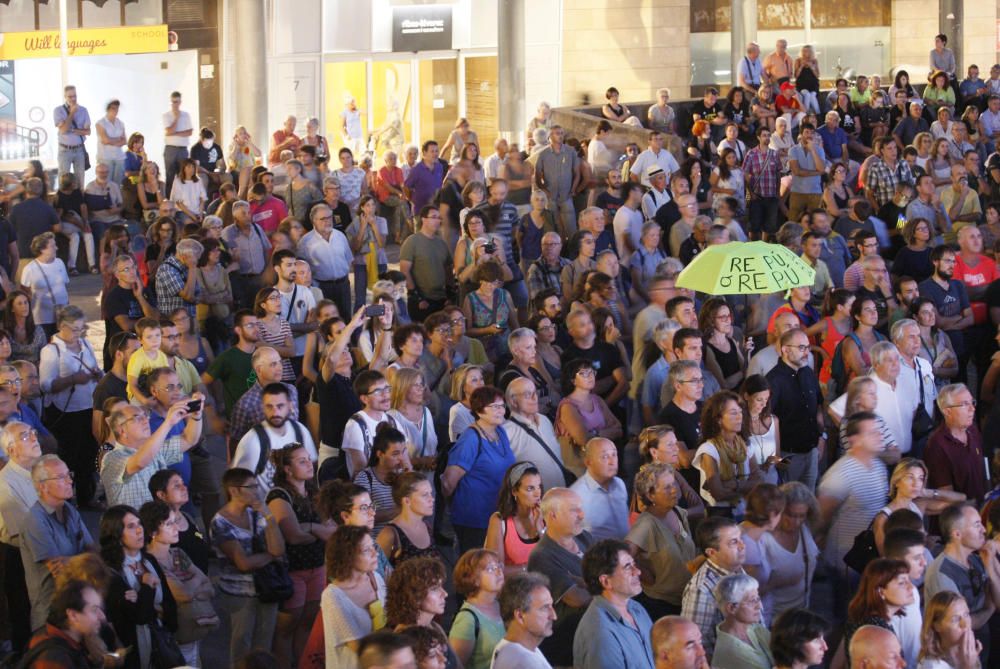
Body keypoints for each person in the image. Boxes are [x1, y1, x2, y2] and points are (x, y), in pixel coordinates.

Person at [210, 467, 286, 664]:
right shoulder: (221, 523)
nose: (257, 490)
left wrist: (269, 516)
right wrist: (270, 555)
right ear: (234, 490)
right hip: (238, 594)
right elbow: (243, 563)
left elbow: (278, 549)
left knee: (264, 644)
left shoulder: (258, 514)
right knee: (241, 646)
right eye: (251, 487)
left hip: (266, 588)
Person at [20, 455, 97, 632]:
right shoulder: (35, 520)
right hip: (51, 612)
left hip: (79, 602)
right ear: (42, 486)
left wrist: (73, 560)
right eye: (61, 477)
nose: (70, 481)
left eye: (68, 475)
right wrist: (86, 560)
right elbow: (59, 570)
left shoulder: (69, 510)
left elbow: (93, 551)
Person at [98, 504, 179, 669]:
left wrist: (145, 602)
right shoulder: (110, 571)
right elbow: (140, 616)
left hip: (159, 645)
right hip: (131, 652)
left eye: (139, 524)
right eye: (130, 526)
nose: (139, 530)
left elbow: (169, 603)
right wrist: (147, 587)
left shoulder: (149, 560)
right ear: (116, 534)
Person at [38, 305, 102, 505]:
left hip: (88, 407)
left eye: (82, 329)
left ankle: (86, 497)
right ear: (62, 326)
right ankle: (63, 498)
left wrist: (97, 374)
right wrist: (73, 379)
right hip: (67, 413)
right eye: (75, 329)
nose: (79, 333)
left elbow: (94, 367)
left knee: (89, 454)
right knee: (69, 456)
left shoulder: (85, 343)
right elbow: (45, 385)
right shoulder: (52, 350)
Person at [443, 385, 516, 552]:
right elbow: (448, 483)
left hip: (496, 513)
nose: (501, 411)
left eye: (502, 406)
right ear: (480, 410)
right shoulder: (470, 439)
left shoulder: (500, 432)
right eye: (495, 407)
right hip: (474, 519)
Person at [526, 488, 594, 666]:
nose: (581, 514)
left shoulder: (584, 538)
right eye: (574, 510)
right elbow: (578, 599)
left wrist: (586, 583)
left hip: (592, 636)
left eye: (581, 508)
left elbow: (609, 572)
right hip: (567, 648)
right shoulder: (543, 555)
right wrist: (605, 585)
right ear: (553, 516)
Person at [924, 502, 1000, 661]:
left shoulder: (976, 558)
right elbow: (958, 624)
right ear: (957, 534)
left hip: (980, 647)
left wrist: (991, 569)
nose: (984, 530)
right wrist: (989, 609)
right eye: (977, 525)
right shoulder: (942, 573)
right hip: (956, 658)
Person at [816, 411, 889, 574]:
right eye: (872, 433)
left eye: (880, 431)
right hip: (846, 564)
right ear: (854, 439)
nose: (880, 436)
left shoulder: (879, 466)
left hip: (870, 560)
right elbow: (821, 518)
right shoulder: (841, 474)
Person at [625, 462, 696, 619]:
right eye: (666, 487)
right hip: (661, 606)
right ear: (650, 495)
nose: (674, 490)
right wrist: (645, 575)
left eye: (674, 484)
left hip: (685, 599)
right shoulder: (646, 524)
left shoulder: (677, 512)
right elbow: (623, 556)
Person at [571, 539, 654, 669]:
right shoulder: (600, 633)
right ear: (606, 582)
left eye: (634, 564)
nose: (637, 572)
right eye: (628, 567)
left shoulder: (636, 609)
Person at [319, 524, 387, 669]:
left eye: (373, 546)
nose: (376, 554)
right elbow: (358, 646)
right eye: (366, 550)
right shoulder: (332, 596)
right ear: (347, 556)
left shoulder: (376, 578)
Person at [681, 516, 746, 659]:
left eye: (741, 539)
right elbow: (693, 645)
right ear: (712, 552)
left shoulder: (736, 568)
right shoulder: (701, 590)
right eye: (733, 542)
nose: (742, 546)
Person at [766, 329, 824, 490]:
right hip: (788, 454)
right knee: (789, 502)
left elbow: (818, 405)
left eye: (808, 347)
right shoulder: (773, 380)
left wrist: (822, 436)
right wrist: (778, 458)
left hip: (811, 452)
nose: (806, 352)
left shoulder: (808, 373)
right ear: (785, 350)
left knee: (809, 500)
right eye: (801, 348)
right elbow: (768, 420)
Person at [555, 358, 623, 477]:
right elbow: (583, 439)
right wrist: (605, 433)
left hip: (602, 461)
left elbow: (618, 429)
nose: (590, 376)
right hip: (580, 468)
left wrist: (595, 434)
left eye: (592, 372)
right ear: (573, 380)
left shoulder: (597, 399)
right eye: (584, 373)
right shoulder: (567, 406)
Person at [21, 578, 107, 669]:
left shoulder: (54, 637)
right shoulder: (54, 658)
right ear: (73, 615)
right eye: (94, 610)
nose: (102, 616)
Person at [925, 383, 988, 503]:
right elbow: (945, 493)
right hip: (959, 515)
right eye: (965, 404)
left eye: (972, 402)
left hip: (980, 508)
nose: (972, 409)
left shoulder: (972, 430)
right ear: (947, 411)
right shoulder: (937, 445)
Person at [843, 559, 915, 663]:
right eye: (902, 583)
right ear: (881, 591)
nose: (911, 587)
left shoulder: (869, 620)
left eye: (909, 581)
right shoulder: (874, 628)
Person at [503, 377, 568, 490]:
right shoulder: (506, 431)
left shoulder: (544, 420)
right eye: (528, 394)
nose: (535, 398)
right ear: (513, 401)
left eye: (535, 393)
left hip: (562, 491)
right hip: (537, 500)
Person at [448, 549, 507, 669]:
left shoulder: (503, 605)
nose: (499, 571)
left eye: (499, 566)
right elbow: (456, 665)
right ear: (473, 579)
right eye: (490, 569)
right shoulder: (467, 619)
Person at [485, 461, 546, 575]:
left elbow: (554, 558)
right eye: (530, 489)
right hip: (514, 588)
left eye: (539, 487)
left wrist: (539, 529)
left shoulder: (546, 516)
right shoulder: (499, 520)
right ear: (514, 491)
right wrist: (529, 568)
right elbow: (496, 570)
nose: (538, 494)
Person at [491, 571, 556, 669]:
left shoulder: (523, 649)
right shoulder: (521, 662)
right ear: (520, 616)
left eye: (551, 606)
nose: (554, 616)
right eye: (545, 608)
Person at [569, 437, 628, 541]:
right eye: (605, 457)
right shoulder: (576, 495)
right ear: (588, 462)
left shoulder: (619, 484)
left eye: (614, 455)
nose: (612, 461)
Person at [711, 574, 773, 669]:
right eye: (752, 601)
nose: (759, 606)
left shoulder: (754, 628)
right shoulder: (730, 650)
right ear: (731, 608)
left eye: (758, 598)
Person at [534, 126, 581, 238]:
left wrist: (573, 190)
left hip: (566, 196)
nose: (560, 136)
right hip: (550, 196)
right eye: (557, 133)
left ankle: (572, 252)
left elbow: (577, 173)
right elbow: (537, 174)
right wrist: (544, 190)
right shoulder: (543, 154)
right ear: (550, 136)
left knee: (571, 229)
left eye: (561, 133)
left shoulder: (570, 152)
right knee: (551, 229)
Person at [20, 232, 69, 338]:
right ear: (42, 249)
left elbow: (64, 286)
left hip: (62, 315)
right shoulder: (30, 269)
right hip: (42, 318)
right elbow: (24, 291)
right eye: (52, 246)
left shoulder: (59, 262)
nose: (56, 248)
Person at [917, 591, 984, 669]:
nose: (965, 624)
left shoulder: (966, 650)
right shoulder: (931, 665)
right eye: (955, 619)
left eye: (966, 614)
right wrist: (968, 667)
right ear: (937, 626)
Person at [163, 91, 193, 194]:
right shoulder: (166, 115)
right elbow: (168, 131)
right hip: (170, 148)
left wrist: (175, 133)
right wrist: (176, 118)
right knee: (170, 176)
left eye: (177, 101)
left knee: (183, 175)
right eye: (173, 102)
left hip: (183, 149)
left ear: (180, 102)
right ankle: (169, 201)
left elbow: (189, 132)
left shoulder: (186, 115)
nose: (175, 104)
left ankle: (183, 200)